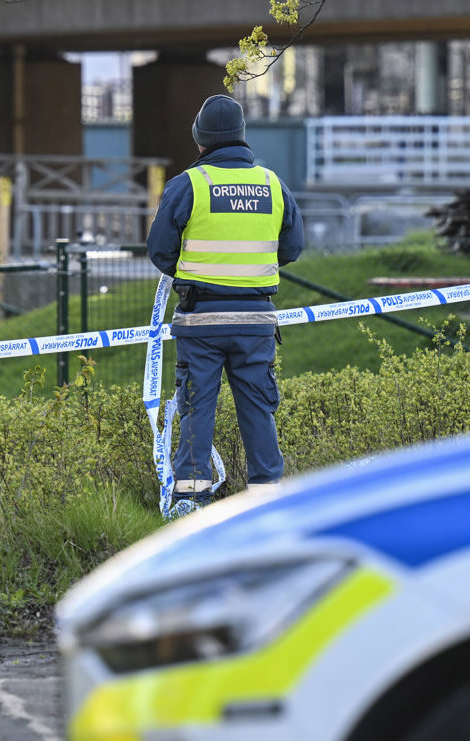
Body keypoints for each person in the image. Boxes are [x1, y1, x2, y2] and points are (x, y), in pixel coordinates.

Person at [147, 93, 305, 506]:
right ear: (241, 136)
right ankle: (268, 500)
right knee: (258, 408)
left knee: (197, 409)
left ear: (200, 141)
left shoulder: (187, 185)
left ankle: (191, 501)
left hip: (200, 322)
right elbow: (290, 248)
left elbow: (160, 252)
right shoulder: (273, 184)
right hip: (255, 322)